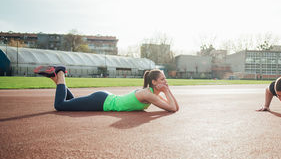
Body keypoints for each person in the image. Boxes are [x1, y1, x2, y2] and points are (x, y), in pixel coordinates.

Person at [33, 65, 179, 112]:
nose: (165, 82)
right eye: (162, 79)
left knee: (72, 102)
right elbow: (171, 108)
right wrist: (167, 91)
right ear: (154, 82)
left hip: (103, 99)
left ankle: (56, 79)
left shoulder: (152, 93)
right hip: (101, 101)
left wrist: (168, 90)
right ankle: (60, 73)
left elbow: (175, 107)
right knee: (60, 105)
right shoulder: (149, 94)